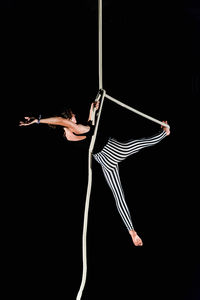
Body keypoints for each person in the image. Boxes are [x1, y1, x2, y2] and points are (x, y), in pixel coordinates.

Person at [19, 100, 170, 246]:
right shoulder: (73, 128)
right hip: (114, 150)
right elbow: (62, 121)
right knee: (139, 143)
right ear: (67, 120)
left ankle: (132, 232)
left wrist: (92, 110)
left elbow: (89, 127)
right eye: (73, 116)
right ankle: (165, 133)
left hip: (105, 162)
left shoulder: (69, 135)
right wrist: (37, 120)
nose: (75, 117)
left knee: (118, 195)